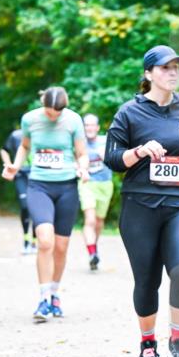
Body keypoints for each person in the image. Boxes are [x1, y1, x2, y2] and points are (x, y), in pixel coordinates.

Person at [105, 46, 179, 357]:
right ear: (149, 73)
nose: (173, 73)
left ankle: (178, 341)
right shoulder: (129, 112)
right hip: (140, 204)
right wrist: (139, 151)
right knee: (147, 279)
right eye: (165, 68)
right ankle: (148, 341)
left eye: (176, 67)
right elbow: (113, 160)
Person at [3, 87, 90, 322]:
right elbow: (24, 146)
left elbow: (82, 153)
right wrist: (15, 165)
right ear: (43, 104)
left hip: (67, 188)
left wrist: (83, 167)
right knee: (45, 241)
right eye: (50, 113)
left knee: (61, 247)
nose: (53, 117)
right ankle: (42, 299)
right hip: (39, 185)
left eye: (57, 113)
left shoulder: (73, 120)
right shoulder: (30, 119)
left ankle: (54, 294)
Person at [79, 113, 115, 271]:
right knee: (90, 220)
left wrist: (107, 156)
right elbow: (75, 161)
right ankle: (92, 253)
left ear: (97, 127)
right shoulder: (79, 143)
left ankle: (94, 248)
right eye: (86, 125)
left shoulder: (106, 141)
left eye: (92, 125)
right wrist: (80, 169)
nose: (89, 128)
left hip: (105, 183)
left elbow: (117, 160)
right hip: (87, 183)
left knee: (99, 222)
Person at [2, 127, 37, 255]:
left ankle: (34, 240)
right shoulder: (15, 135)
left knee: (35, 207)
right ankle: (26, 239)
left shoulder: (40, 134)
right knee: (24, 206)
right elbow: (4, 150)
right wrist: (9, 165)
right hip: (21, 175)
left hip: (36, 175)